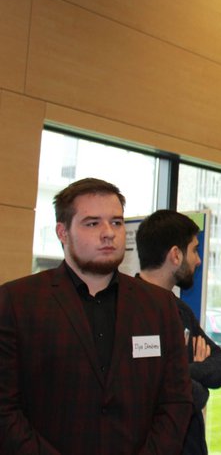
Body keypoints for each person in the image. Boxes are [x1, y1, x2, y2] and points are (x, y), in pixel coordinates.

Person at [0, 178, 192, 455]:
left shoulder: (159, 306)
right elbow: (5, 409)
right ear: (62, 232)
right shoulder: (18, 302)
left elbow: (176, 401)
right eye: (92, 223)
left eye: (116, 222)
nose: (108, 233)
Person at [136, 210, 221, 455]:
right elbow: (192, 394)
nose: (198, 260)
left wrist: (180, 372)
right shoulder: (128, 311)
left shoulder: (180, 310)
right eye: (194, 250)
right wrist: (191, 377)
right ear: (176, 255)